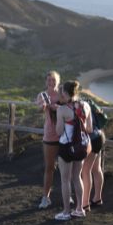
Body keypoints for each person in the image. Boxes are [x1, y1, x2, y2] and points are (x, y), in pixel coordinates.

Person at [54, 81, 92, 221]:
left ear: (65, 93)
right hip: (81, 146)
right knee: (77, 177)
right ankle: (79, 209)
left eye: (61, 91)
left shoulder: (62, 110)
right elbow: (89, 128)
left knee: (65, 180)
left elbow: (58, 132)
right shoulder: (86, 106)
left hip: (66, 147)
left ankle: (66, 212)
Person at [35, 70, 61, 209]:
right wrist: (44, 106)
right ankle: (46, 197)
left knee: (66, 168)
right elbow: (40, 109)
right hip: (50, 135)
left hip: (64, 136)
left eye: (54, 80)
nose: (51, 82)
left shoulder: (62, 94)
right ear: (46, 81)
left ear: (58, 81)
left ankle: (67, 195)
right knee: (49, 167)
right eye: (49, 80)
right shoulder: (42, 95)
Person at [81, 109, 105, 211]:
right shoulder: (88, 103)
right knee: (97, 168)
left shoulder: (78, 105)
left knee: (85, 171)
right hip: (99, 135)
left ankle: (85, 204)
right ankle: (97, 198)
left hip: (91, 139)